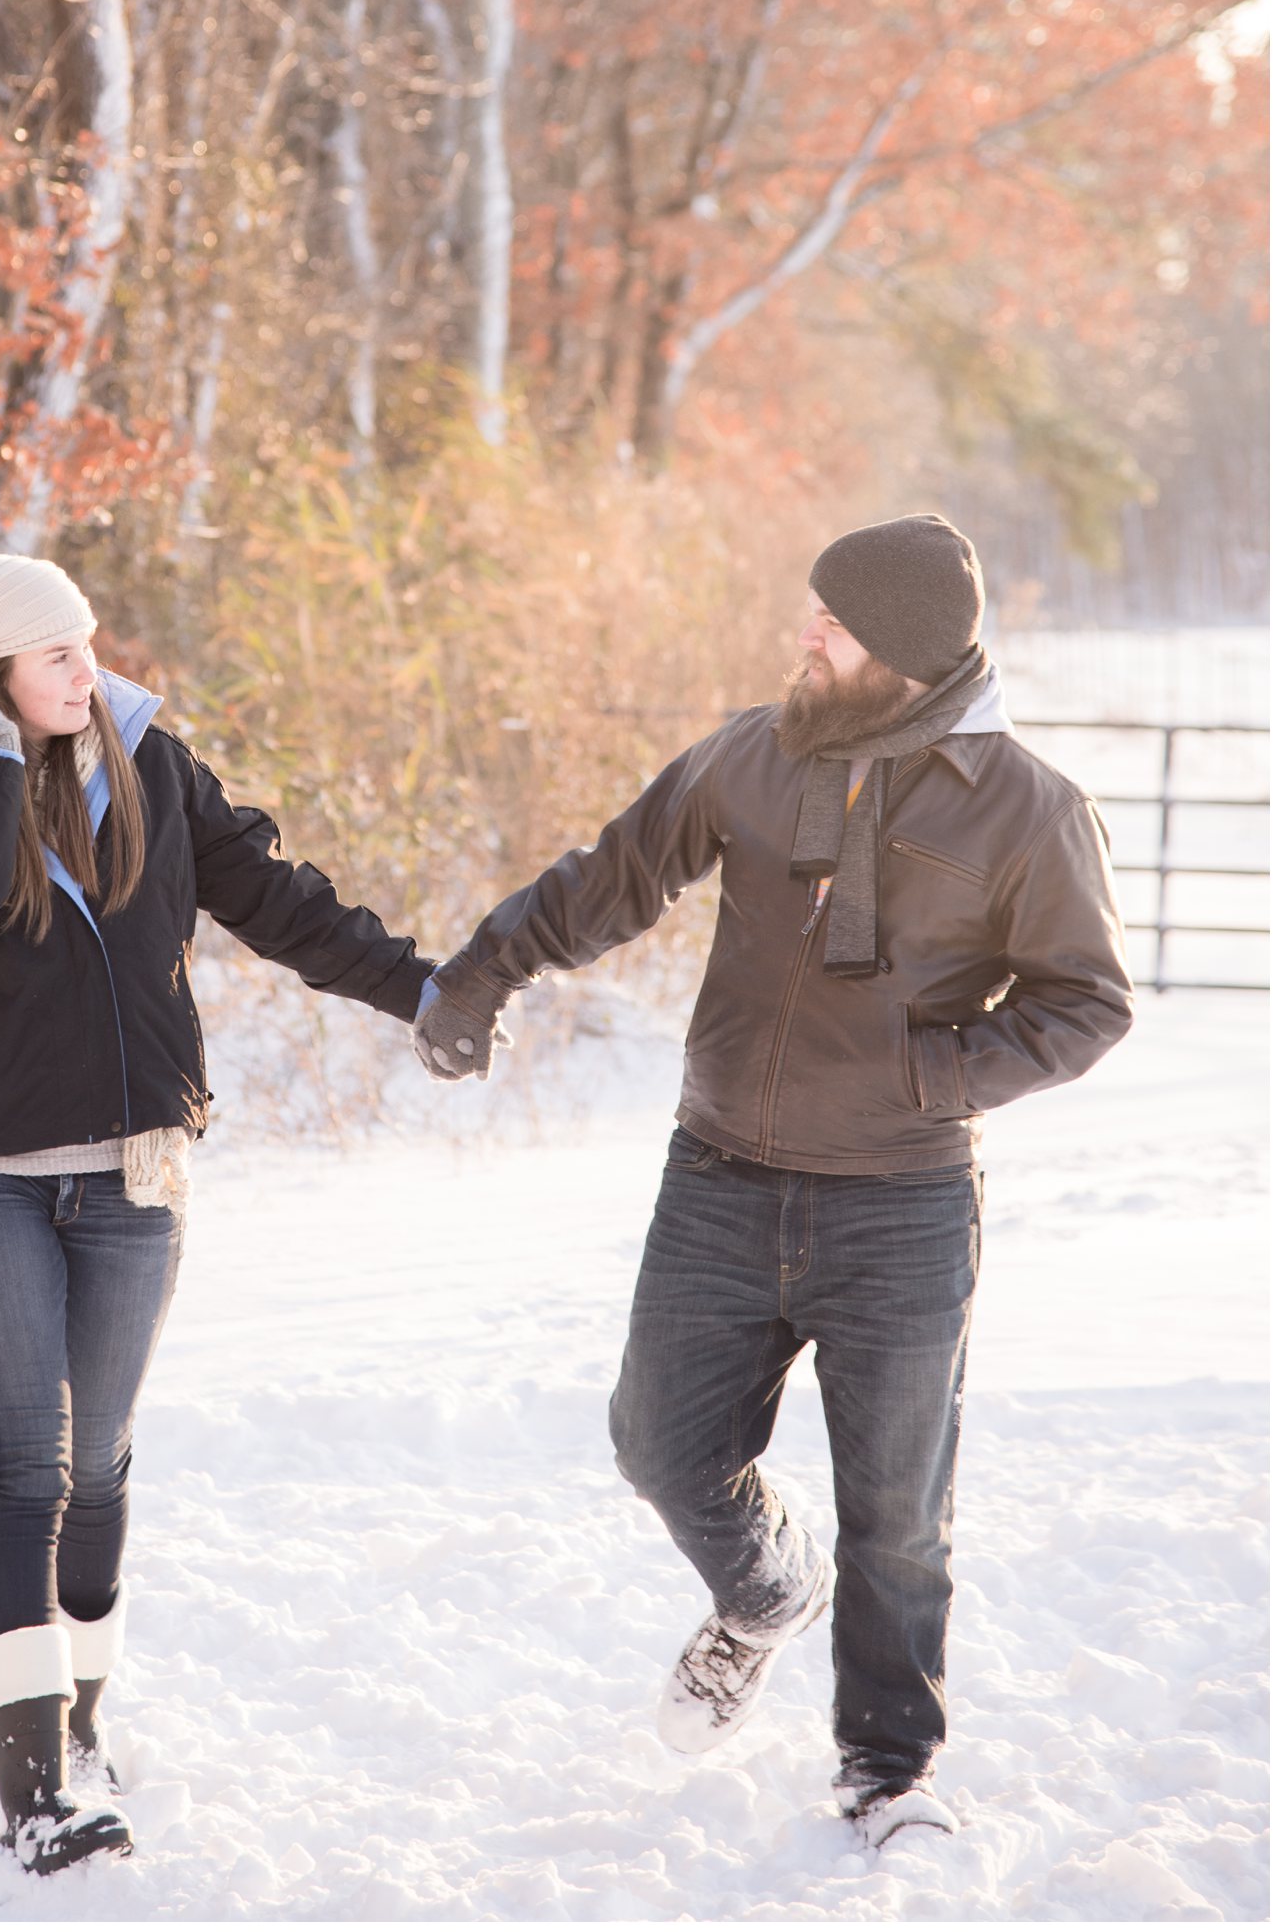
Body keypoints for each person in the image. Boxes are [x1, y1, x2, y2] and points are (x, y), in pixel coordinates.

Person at [413, 514, 1133, 1847]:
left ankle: (886, 1772)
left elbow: (1089, 999)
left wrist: (937, 1073)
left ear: (909, 654)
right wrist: (482, 967)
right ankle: (764, 1590)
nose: (808, 634)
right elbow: (614, 877)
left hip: (903, 1201)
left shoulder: (1028, 808)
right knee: (658, 1443)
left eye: (836, 621)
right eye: (814, 611)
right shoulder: (758, 751)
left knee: (899, 1513)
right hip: (721, 1179)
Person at [0, 553, 435, 1875]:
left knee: (101, 1460)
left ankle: (82, 1724)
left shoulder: (152, 763)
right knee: (26, 1467)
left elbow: (279, 899)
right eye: (56, 653)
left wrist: (423, 990)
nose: (91, 665)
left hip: (135, 1169)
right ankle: (38, 1790)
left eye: (87, 642)